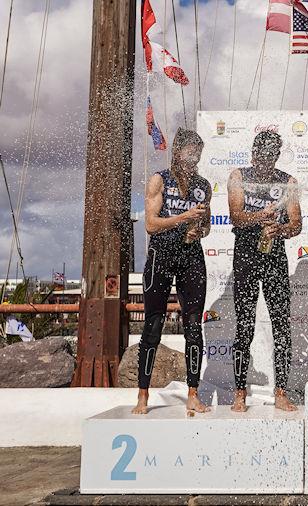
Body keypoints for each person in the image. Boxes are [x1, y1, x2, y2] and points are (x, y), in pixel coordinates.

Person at [133, 128, 211, 415]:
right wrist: (182, 218)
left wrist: (198, 228)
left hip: (191, 256)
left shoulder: (203, 185)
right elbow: (151, 225)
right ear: (177, 153)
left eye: (198, 155)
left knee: (193, 325)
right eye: (191, 154)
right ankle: (143, 395)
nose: (194, 159)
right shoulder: (159, 179)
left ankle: (193, 393)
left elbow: (206, 226)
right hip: (161, 256)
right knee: (153, 324)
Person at [228, 131, 302, 412]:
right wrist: (261, 216)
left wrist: (279, 229)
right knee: (244, 324)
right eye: (260, 156)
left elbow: (296, 224)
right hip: (246, 254)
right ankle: (239, 393)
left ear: (276, 156)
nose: (264, 162)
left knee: (282, 324)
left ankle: (281, 391)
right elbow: (235, 215)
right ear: (253, 153)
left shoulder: (288, 182)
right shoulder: (239, 176)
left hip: (275, 256)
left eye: (270, 157)